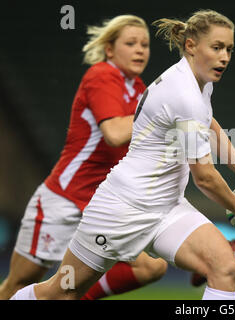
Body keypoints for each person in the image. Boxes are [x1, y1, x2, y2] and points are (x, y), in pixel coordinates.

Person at [10, 9, 235, 300]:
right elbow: (205, 178)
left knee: (224, 267)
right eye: (217, 48)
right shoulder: (183, 93)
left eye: (229, 50)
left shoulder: (200, 81)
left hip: (167, 208)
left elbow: (209, 123)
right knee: (60, 293)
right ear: (191, 45)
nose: (225, 57)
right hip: (122, 208)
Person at [0, 15, 169, 300]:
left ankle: (72, 295)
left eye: (145, 44)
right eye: (131, 43)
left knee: (150, 267)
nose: (140, 50)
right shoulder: (102, 76)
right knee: (19, 282)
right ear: (110, 50)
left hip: (102, 204)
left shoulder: (139, 89)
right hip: (64, 200)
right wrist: (162, 115)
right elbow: (114, 133)